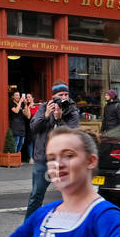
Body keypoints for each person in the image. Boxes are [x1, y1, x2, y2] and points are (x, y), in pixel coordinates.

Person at [25, 83, 80, 219]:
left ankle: (70, 227)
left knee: (70, 195)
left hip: (64, 161)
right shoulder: (44, 107)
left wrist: (59, 119)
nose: (64, 97)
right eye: (60, 95)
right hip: (44, 159)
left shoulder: (72, 111)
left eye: (66, 94)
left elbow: (70, 135)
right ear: (53, 97)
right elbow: (34, 128)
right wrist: (46, 115)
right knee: (36, 195)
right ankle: (28, 227)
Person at [9, 90, 32, 160]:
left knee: (21, 142)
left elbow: (28, 116)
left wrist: (25, 104)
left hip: (22, 125)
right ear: (13, 97)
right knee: (16, 141)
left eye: (19, 95)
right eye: (16, 95)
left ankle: (17, 157)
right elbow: (16, 111)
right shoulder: (11, 103)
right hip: (15, 124)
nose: (18, 97)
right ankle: (14, 158)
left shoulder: (22, 104)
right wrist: (20, 103)